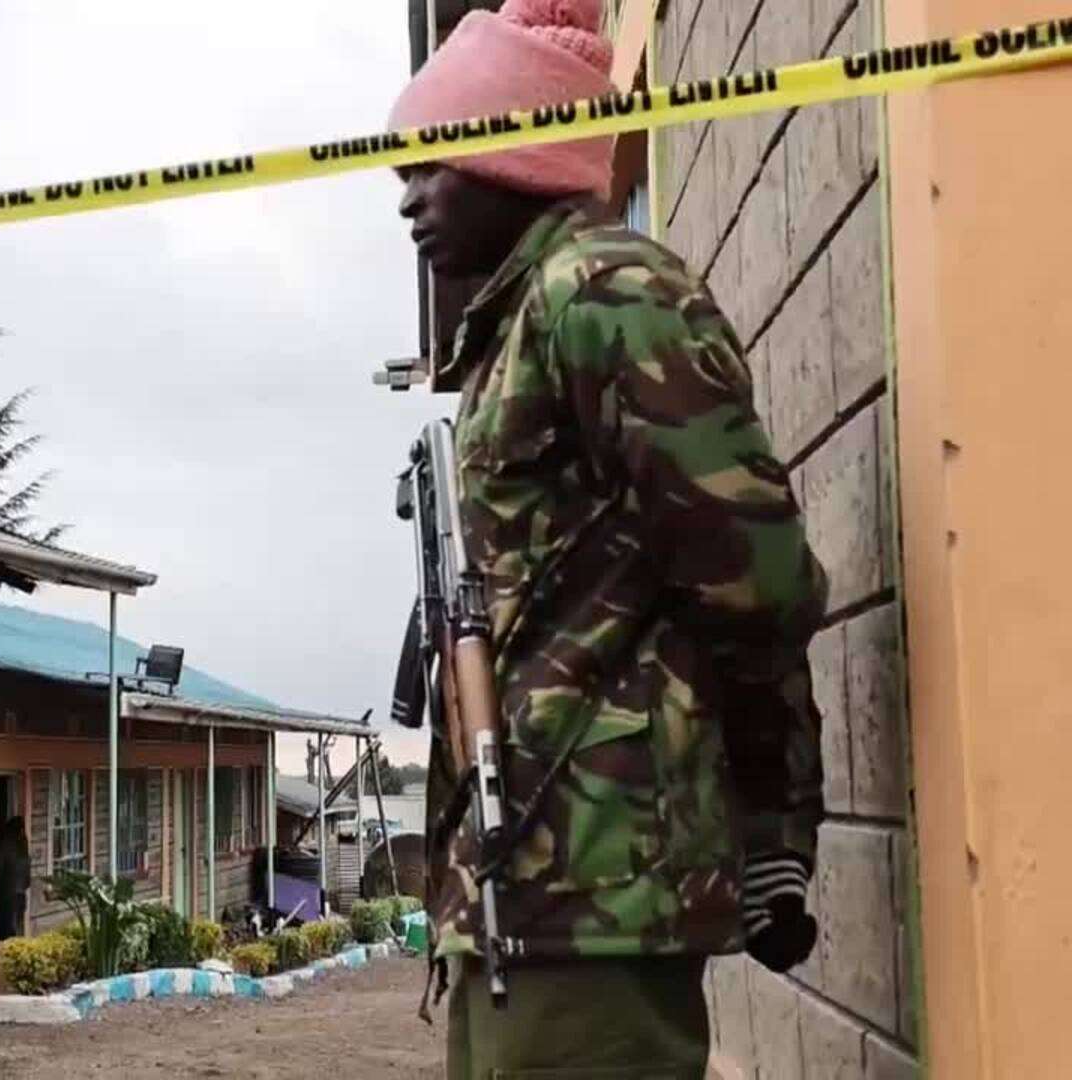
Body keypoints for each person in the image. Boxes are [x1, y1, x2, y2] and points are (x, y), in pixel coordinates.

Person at [387, 1, 828, 1075]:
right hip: (529, 884)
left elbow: (758, 576)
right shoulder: (524, 321)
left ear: (515, 160)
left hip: (598, 882)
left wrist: (769, 812)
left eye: (430, 165)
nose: (407, 200)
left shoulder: (605, 290)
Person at [0, 815, 31, 939]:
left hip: (9, 891)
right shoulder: (22, 844)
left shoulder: (7, 845)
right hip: (19, 891)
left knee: (9, 925)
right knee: (14, 923)